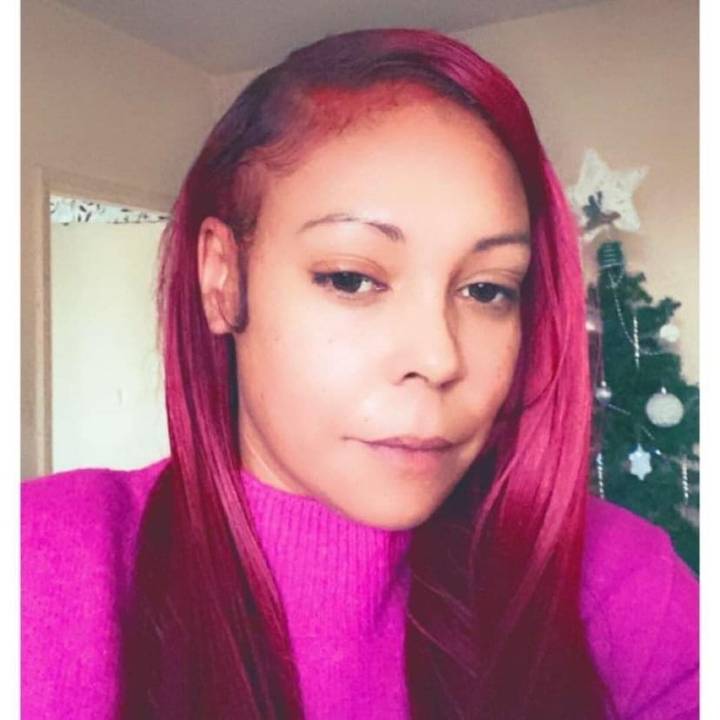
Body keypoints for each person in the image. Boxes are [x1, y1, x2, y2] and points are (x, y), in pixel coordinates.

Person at [21, 27, 698, 720]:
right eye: (350, 277)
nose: (438, 358)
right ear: (222, 280)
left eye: (487, 289)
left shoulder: (621, 589)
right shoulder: (41, 566)